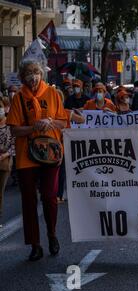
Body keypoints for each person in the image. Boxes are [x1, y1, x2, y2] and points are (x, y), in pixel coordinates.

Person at [6, 59, 68, 261]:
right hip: (27, 155)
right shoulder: (18, 98)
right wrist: (33, 128)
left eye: (36, 72)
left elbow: (63, 122)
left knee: (50, 196)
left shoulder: (52, 93)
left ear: (41, 74)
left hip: (50, 153)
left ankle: (51, 234)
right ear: (23, 77)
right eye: (29, 73)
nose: (33, 76)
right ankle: (34, 244)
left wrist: (50, 122)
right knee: (28, 200)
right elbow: (14, 130)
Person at [0, 105, 14, 228]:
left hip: (5, 162)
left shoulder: (10, 125)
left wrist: (4, 155)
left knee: (0, 191)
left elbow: (14, 146)